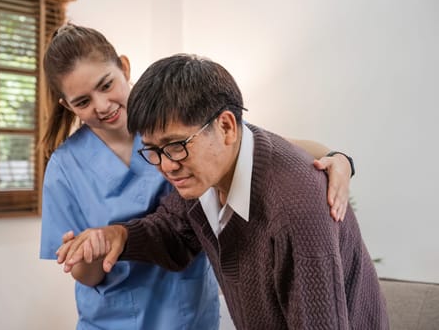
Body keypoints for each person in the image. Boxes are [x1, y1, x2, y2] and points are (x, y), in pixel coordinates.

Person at [41, 24, 354, 330]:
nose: (101, 105)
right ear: (67, 105)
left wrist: (338, 159)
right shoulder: (66, 166)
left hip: (190, 313)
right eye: (82, 102)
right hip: (115, 318)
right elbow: (162, 232)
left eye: (106, 85)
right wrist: (102, 243)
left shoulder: (180, 122)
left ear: (124, 67)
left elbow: (252, 146)